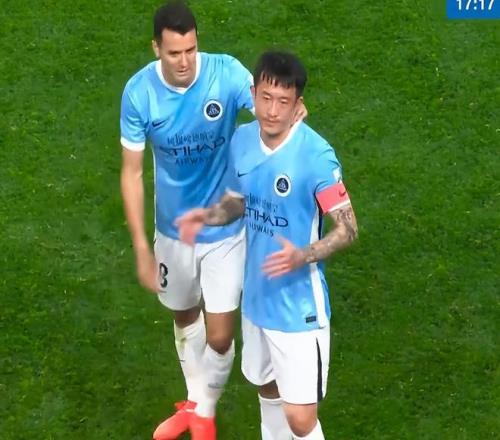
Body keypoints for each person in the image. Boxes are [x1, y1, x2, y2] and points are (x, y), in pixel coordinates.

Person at [177, 51, 358, 440]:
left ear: (298, 105)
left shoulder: (316, 156)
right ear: (254, 94)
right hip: (257, 301)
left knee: (301, 419)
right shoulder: (242, 141)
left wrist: (303, 255)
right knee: (268, 389)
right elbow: (238, 202)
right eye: (266, 98)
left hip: (299, 308)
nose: (272, 111)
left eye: (283, 101)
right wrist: (206, 216)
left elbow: (348, 228)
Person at [119, 1, 255, 439]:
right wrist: (142, 247)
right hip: (172, 230)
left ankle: (204, 411)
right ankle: (196, 404)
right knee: (183, 315)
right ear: (156, 48)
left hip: (224, 228)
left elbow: (267, 109)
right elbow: (132, 173)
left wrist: (290, 115)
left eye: (191, 50)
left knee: (220, 336)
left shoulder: (226, 73)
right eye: (174, 53)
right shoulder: (139, 93)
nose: (184, 62)